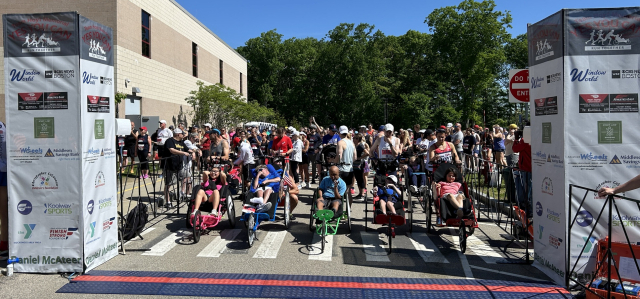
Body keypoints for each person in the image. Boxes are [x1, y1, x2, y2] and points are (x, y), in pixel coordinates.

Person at [163, 128, 193, 207]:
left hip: (179, 166)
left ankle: (181, 194)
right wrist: (183, 153)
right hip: (170, 166)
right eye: (182, 134)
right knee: (168, 184)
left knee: (186, 177)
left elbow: (188, 149)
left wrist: (196, 151)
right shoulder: (169, 141)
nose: (183, 135)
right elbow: (172, 150)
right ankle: (168, 202)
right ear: (178, 134)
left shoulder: (181, 142)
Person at [512, 132, 532, 216]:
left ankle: (528, 210)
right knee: (530, 190)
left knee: (527, 190)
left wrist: (516, 139)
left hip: (526, 168)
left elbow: (515, 149)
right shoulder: (535, 139)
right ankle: (528, 209)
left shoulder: (525, 141)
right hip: (532, 167)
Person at [337, 126, 356, 205]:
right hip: (350, 168)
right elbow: (355, 157)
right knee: (348, 191)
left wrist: (333, 161)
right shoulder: (351, 142)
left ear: (339, 133)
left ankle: (339, 209)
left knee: (338, 190)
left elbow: (339, 156)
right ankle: (348, 210)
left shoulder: (340, 142)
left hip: (342, 168)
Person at [353, 133, 370, 200]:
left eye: (355, 138)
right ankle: (360, 193)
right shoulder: (355, 145)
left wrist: (360, 157)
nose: (353, 139)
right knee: (357, 178)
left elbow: (367, 153)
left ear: (358, 139)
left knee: (360, 179)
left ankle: (362, 194)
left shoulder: (360, 145)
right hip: (355, 164)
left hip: (359, 164)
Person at [0, 121, 7, 252]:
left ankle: (4, 242)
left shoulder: (3, 125)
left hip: (4, 171)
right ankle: (4, 242)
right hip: (4, 169)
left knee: (4, 211)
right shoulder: (3, 125)